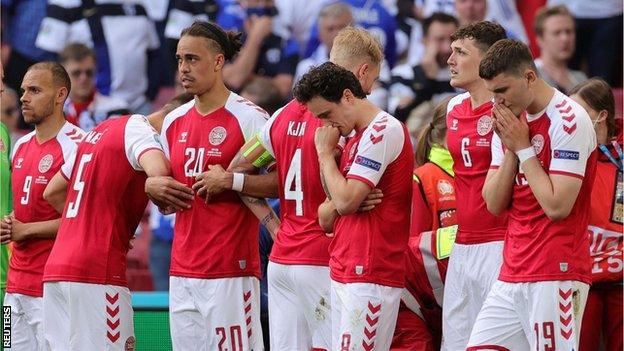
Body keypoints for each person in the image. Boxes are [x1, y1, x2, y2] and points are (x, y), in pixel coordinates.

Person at [471, 39, 597, 350]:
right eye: (492, 94)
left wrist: (524, 148)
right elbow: (494, 203)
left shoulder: (570, 120)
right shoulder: (511, 121)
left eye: (502, 91)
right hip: (512, 269)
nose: (496, 103)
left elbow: (557, 205)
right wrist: (514, 150)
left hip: (557, 271)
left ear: (529, 77)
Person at [154, 21, 269, 350]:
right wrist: (159, 192)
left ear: (218, 62)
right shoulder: (174, 122)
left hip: (231, 270)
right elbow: (167, 189)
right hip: (182, 270)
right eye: (179, 60)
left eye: (192, 59)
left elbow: (281, 183)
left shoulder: (249, 118)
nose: (183, 69)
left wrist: (231, 180)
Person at [41, 101, 191, 350]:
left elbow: (53, 191)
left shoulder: (100, 131)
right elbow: (158, 171)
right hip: (97, 272)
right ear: (174, 121)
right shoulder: (142, 131)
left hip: (56, 271)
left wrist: (91, 221)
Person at [295, 61, 414, 351]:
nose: (325, 126)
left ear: (348, 96)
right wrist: (342, 201)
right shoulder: (353, 139)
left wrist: (324, 156)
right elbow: (324, 216)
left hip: (371, 272)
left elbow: (346, 201)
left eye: (326, 115)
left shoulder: (382, 130)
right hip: (343, 267)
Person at [0, 62, 84, 350]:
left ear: (60, 95)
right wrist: (11, 222)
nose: (23, 97)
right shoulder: (20, 145)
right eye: (23, 90)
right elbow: (26, 208)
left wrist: (26, 230)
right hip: (14, 287)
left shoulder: (79, 147)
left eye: (35, 90)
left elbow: (85, 219)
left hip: (53, 287)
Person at [441, 20, 507, 351]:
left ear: (485, 61)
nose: (450, 59)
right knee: (453, 343)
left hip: (500, 242)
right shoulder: (453, 108)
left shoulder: (506, 110)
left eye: (460, 52)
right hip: (461, 244)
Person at [391, 96, 456, 351]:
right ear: (446, 131)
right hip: (425, 300)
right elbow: (414, 250)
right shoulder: (424, 178)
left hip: (459, 294)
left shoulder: (478, 179)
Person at [569, 78, 623, 351]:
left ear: (601, 116)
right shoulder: (566, 157)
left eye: (580, 113)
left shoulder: (622, 157)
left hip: (621, 279)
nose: (571, 121)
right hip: (581, 276)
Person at [389, 12, 458, 122]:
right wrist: (428, 80)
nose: (447, 48)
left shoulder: (463, 75)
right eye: (440, 40)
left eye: (452, 40)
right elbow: (399, 115)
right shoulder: (403, 74)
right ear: (424, 41)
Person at [58, 43, 129, 131]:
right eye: (76, 73)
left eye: (89, 72)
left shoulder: (117, 108)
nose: (84, 78)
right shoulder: (52, 113)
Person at [534, 5, 587, 94]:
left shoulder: (581, 79)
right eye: (557, 33)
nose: (565, 38)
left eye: (569, 31)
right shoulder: (531, 77)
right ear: (540, 39)